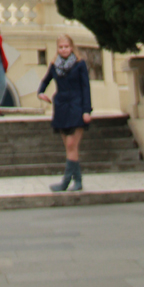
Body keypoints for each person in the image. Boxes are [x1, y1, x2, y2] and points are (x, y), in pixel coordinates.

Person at [37, 35, 92, 192]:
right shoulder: (54, 65)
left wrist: (87, 110)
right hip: (61, 107)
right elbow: (45, 81)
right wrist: (41, 93)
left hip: (76, 106)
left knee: (71, 144)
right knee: (69, 148)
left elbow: (86, 88)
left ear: (72, 47)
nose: (64, 50)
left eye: (66, 47)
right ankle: (78, 181)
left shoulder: (79, 64)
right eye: (61, 47)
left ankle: (66, 182)